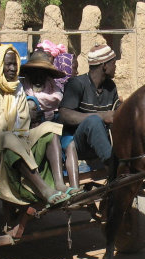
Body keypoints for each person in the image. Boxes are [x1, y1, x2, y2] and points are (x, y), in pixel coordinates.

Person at [0, 45, 68, 206]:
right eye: (8, 64)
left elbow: (24, 123)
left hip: (20, 140)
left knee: (50, 128)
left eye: (14, 64)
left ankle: (59, 183)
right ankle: (44, 189)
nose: (12, 68)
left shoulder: (16, 87)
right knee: (8, 137)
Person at [21, 50, 80, 195]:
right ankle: (59, 182)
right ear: (29, 73)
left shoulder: (56, 90)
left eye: (43, 72)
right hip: (31, 136)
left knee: (70, 143)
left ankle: (75, 188)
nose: (39, 76)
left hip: (58, 130)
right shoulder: (22, 90)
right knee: (51, 132)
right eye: (36, 72)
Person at [58, 44, 121, 174]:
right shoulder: (77, 84)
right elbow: (64, 114)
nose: (116, 67)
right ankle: (112, 167)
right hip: (79, 144)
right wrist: (102, 116)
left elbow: (116, 111)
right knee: (93, 121)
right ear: (104, 66)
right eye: (114, 63)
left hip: (102, 142)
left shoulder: (110, 87)